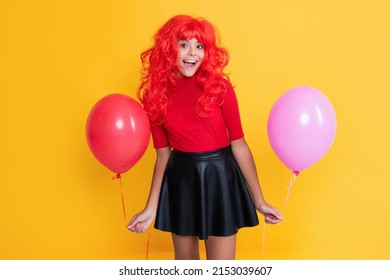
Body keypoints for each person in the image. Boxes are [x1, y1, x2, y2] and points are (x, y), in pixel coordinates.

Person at [128, 14, 282, 260]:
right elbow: (162, 156)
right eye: (184, 44)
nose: (192, 53)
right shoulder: (155, 95)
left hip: (220, 176)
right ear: (169, 49)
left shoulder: (219, 86)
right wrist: (151, 207)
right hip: (181, 180)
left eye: (199, 46)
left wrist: (260, 201)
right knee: (186, 266)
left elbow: (239, 145)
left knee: (221, 268)